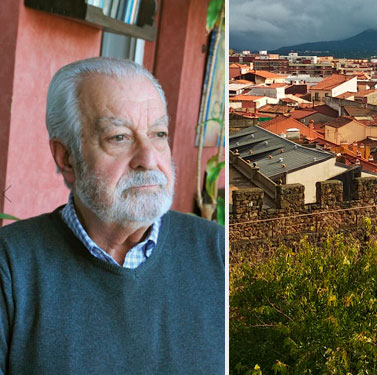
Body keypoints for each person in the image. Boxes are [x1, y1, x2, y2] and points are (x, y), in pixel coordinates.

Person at [0, 57, 224, 374]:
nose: (148, 159)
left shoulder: (218, 251)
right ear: (66, 158)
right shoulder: (10, 265)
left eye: (159, 134)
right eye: (119, 137)